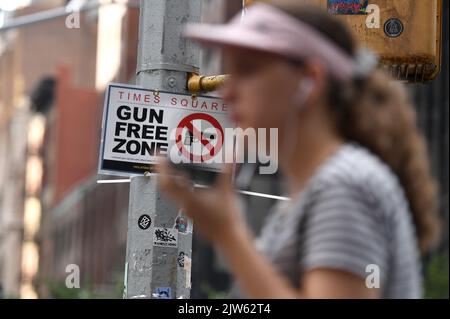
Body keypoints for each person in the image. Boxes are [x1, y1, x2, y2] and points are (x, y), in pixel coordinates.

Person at [156, 1, 441, 298]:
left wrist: (229, 234)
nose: (227, 91)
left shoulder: (344, 187)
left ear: (311, 80)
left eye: (248, 71)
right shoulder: (327, 186)